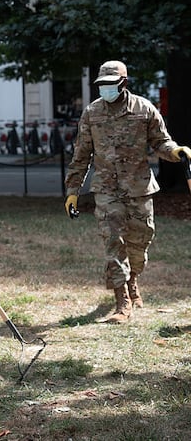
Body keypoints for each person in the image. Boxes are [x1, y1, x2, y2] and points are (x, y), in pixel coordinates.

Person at [64, 60, 191, 324]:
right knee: (113, 242)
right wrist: (73, 190)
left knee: (140, 242)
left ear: (124, 83)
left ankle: (133, 279)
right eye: (103, 85)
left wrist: (176, 151)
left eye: (111, 85)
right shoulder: (92, 113)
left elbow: (161, 142)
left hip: (139, 188)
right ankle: (122, 302)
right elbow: (81, 154)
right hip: (107, 190)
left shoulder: (144, 109)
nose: (106, 90)